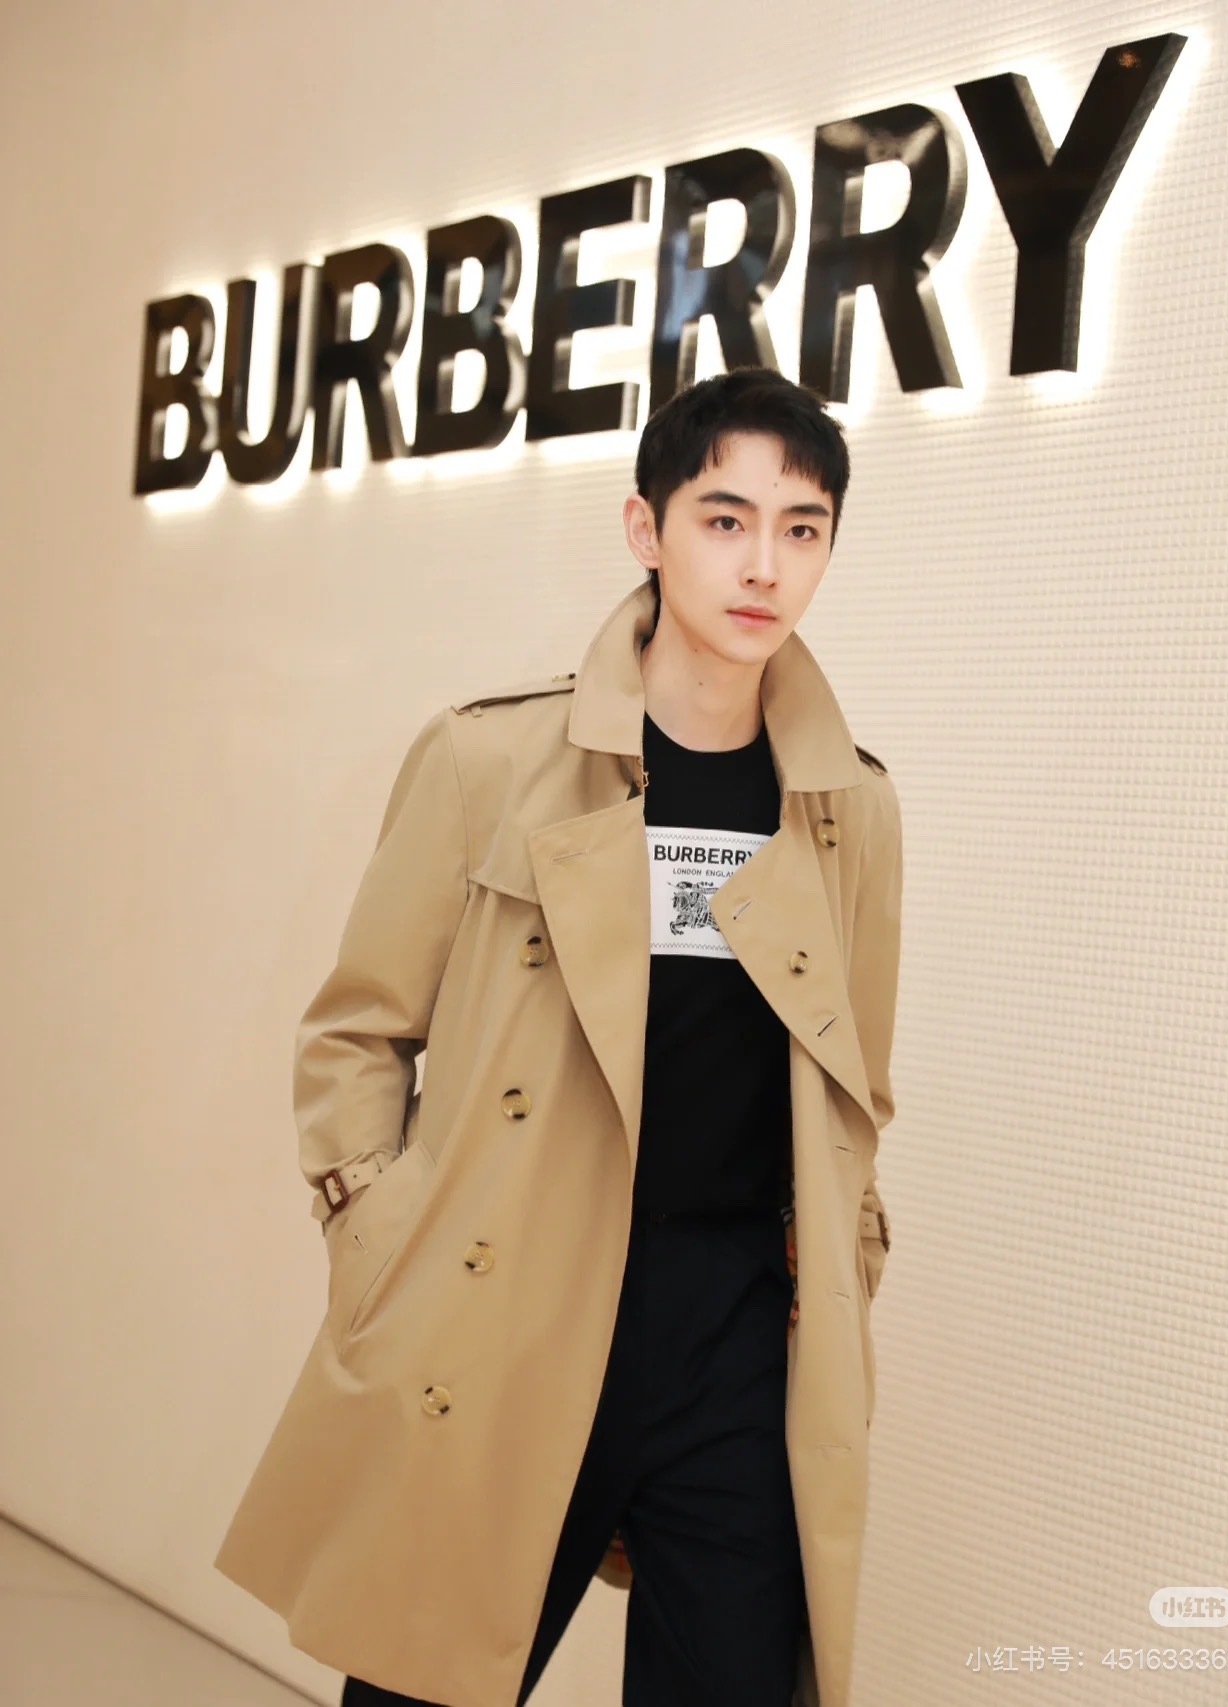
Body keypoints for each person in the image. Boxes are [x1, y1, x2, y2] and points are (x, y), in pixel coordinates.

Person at [213, 364, 902, 1707]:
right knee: (425, 1681)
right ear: (647, 529)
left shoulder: (848, 807)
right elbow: (359, 1030)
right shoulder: (490, 760)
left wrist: (847, 1266)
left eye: (801, 529)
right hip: (508, 1289)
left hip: (738, 1332)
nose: (763, 565)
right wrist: (383, 1239)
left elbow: (855, 1086)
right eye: (724, 520)